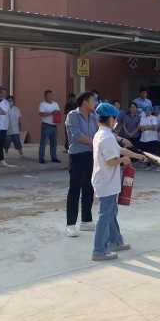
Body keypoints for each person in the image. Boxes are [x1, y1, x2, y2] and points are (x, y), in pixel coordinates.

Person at [91, 103, 145, 261]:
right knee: (105, 215)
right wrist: (124, 160)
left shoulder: (103, 133)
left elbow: (119, 149)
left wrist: (138, 156)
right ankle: (99, 250)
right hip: (106, 182)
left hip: (107, 181)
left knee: (111, 212)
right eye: (115, 118)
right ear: (109, 118)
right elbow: (111, 161)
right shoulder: (106, 137)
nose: (116, 121)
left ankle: (115, 241)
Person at [64, 92, 99, 238]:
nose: (96, 103)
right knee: (75, 189)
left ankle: (86, 220)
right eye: (93, 100)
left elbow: (100, 132)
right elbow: (77, 136)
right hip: (77, 156)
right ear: (85, 102)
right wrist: (97, 142)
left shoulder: (93, 117)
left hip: (91, 155)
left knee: (89, 188)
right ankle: (70, 225)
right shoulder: (73, 115)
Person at [37, 90, 60, 164]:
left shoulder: (55, 104)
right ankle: (41, 158)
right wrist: (51, 113)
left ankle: (54, 157)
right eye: (49, 95)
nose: (50, 96)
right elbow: (41, 114)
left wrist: (56, 114)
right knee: (43, 143)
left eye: (51, 95)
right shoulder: (42, 104)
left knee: (54, 143)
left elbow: (58, 113)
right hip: (46, 125)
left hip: (54, 125)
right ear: (45, 96)